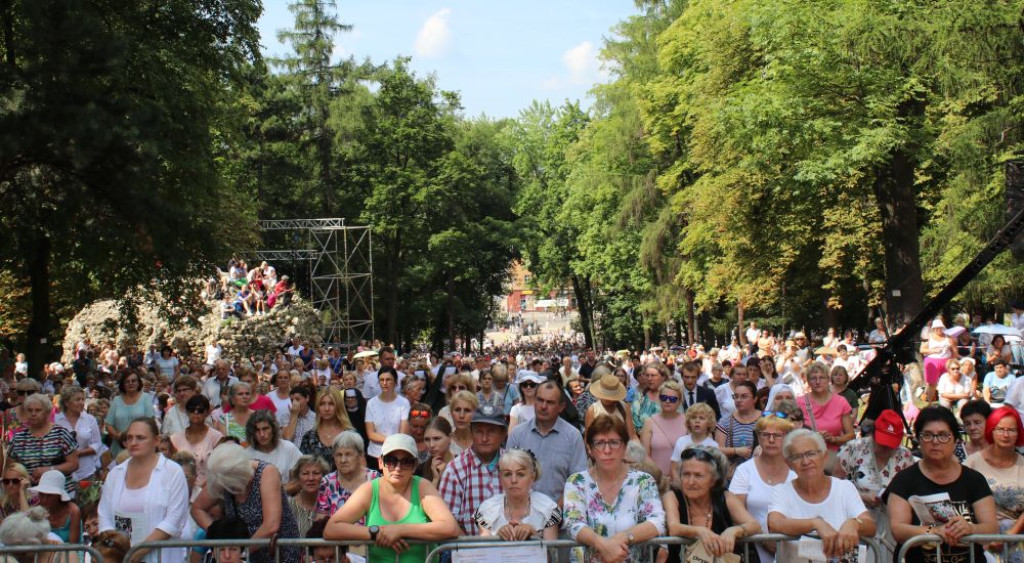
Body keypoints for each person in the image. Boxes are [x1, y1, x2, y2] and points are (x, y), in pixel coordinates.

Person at [886, 405, 999, 563]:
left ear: (955, 440)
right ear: (918, 439)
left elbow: (991, 527)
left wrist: (971, 528)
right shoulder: (904, 480)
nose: (935, 441)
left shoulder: (974, 480)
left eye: (943, 435)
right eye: (927, 435)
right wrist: (934, 531)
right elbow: (898, 529)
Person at [324, 434, 460, 563]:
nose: (398, 468)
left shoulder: (423, 487)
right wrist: (377, 533)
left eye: (406, 462)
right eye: (391, 460)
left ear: (414, 466)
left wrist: (400, 530)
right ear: (380, 462)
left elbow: (450, 527)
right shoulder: (370, 490)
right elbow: (331, 529)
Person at [563, 414, 665, 563]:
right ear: (590, 449)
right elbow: (573, 523)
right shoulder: (577, 482)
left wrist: (622, 538)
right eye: (599, 443)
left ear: (624, 447)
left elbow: (657, 522)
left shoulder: (643, 481)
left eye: (614, 442)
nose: (607, 450)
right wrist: (603, 545)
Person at [767, 428, 876, 562]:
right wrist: (816, 523)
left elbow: (870, 525)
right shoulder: (782, 491)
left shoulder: (844, 488)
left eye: (811, 453)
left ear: (824, 456)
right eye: (796, 456)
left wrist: (854, 523)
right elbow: (775, 523)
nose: (806, 461)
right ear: (789, 464)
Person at [98, 418, 190, 563]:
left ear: (156, 441)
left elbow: (174, 519)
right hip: (121, 556)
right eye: (129, 438)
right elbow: (104, 515)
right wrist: (116, 547)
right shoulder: (116, 473)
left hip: (161, 557)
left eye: (140, 438)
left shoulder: (173, 472)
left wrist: (141, 549)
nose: (133, 443)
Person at [192, 442, 301, 563]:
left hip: (279, 552)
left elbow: (271, 525)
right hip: (242, 556)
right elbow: (197, 509)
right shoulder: (222, 474)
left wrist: (242, 551)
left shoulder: (267, 473)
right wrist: (220, 536)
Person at [834, 409, 915, 561]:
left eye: (891, 444)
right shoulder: (853, 449)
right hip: (855, 522)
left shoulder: (904, 456)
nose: (886, 449)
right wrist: (861, 496)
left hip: (888, 524)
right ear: (874, 434)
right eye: (882, 443)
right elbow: (833, 485)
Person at [666, 445, 760, 561]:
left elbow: (754, 525)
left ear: (714, 480)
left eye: (698, 475)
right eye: (686, 474)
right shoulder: (672, 496)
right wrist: (700, 531)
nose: (690, 482)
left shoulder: (725, 497)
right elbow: (674, 528)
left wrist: (734, 531)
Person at [506, 380, 588, 505]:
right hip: (521, 515)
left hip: (560, 516)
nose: (543, 406)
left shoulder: (573, 437)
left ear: (561, 407)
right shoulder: (518, 435)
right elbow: (507, 476)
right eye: (540, 400)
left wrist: (553, 515)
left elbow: (578, 483)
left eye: (550, 402)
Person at [729, 413, 796, 563]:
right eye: (765, 435)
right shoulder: (744, 470)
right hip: (753, 548)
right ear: (758, 437)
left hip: (792, 549)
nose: (771, 440)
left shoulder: (797, 470)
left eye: (777, 435)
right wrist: (763, 538)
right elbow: (735, 508)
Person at [963, 406, 1024, 556]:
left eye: (1011, 430)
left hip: (1017, 537)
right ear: (991, 430)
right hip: (978, 538)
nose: (1005, 435)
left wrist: (1010, 534)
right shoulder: (972, 463)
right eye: (1000, 429)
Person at [439, 404, 508, 535]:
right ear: (471, 432)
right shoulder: (455, 469)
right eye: (479, 431)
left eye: (491, 431)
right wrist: (470, 546)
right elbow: (447, 520)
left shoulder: (514, 466)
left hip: (511, 549)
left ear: (503, 434)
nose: (484, 438)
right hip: (470, 550)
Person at [474, 449, 562, 540]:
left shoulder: (548, 508)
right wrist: (497, 537)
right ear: (500, 477)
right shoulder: (487, 508)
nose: (514, 480)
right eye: (507, 474)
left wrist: (533, 534)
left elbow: (551, 553)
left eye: (520, 474)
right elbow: (484, 551)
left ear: (532, 477)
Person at [8, 393, 79, 494]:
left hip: (59, 493)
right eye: (29, 410)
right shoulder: (18, 438)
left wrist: (50, 470)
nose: (33, 414)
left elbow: (74, 464)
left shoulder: (61, 434)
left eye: (38, 410)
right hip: (29, 494)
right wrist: (24, 476)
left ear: (47, 412)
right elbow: (11, 467)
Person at [798, 361, 854, 468]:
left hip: (833, 459)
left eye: (822, 378)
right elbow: (791, 435)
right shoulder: (799, 403)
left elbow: (851, 435)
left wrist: (834, 439)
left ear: (828, 380)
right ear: (808, 381)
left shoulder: (841, 402)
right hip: (807, 459)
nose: (818, 382)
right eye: (813, 378)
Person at [316, 431, 380, 520]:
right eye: (339, 455)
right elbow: (321, 520)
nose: (343, 460)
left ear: (360, 455)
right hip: (336, 533)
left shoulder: (374, 479)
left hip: (368, 532)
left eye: (348, 454)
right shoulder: (326, 482)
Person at [169, 394, 222, 487]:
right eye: (192, 409)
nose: (196, 412)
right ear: (187, 412)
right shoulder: (175, 439)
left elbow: (220, 469)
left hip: (209, 491)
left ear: (207, 413)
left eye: (200, 410)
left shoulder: (216, 437)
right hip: (182, 488)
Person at [54, 385, 102, 486]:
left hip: (86, 472)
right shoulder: (56, 420)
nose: (81, 403)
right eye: (77, 399)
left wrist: (79, 453)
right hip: (63, 474)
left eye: (82, 399)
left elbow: (97, 443)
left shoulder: (90, 419)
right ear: (67, 402)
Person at [364, 367, 411, 466]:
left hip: (396, 453)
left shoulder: (403, 403)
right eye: (381, 380)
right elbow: (371, 433)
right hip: (375, 454)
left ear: (395, 382)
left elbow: (403, 432)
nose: (384, 383)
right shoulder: (371, 403)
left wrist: (392, 443)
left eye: (388, 379)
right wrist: (391, 440)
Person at [641, 380, 688, 478]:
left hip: (682, 480)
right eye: (664, 398)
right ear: (659, 399)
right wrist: (660, 477)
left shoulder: (688, 421)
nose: (667, 401)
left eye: (672, 399)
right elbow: (645, 456)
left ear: (679, 401)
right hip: (656, 480)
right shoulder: (649, 422)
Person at [301, 388, 355, 472]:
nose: (326, 408)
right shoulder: (309, 437)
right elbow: (303, 468)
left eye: (331, 404)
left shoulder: (351, 436)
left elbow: (359, 468)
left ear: (338, 406)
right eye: (322, 404)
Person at [106, 371, 155, 457]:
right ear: (123, 384)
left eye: (133, 381)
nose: (130, 383)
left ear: (138, 383)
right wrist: (118, 436)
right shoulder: (116, 400)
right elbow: (108, 424)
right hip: (119, 447)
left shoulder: (145, 398)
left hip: (141, 446)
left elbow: (150, 422)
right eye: (127, 381)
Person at [716, 380, 760, 473]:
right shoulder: (725, 421)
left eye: (744, 396)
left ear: (755, 399)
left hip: (761, 472)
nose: (738, 400)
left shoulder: (765, 419)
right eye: (735, 396)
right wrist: (736, 451)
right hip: (734, 474)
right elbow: (718, 450)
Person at [28, 470, 82, 543]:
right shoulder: (36, 510)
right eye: (41, 494)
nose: (44, 499)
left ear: (59, 496)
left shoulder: (73, 511)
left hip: (70, 553)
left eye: (50, 495)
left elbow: (74, 546)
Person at [246, 410, 303, 477]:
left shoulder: (288, 448)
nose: (262, 434)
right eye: (257, 430)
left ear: (273, 428)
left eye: (265, 429)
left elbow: (301, 479)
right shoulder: (247, 455)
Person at [584, 373, 638, 441]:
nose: (607, 399)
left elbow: (632, 434)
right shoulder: (592, 410)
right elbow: (587, 438)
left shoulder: (624, 407)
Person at [287, 455, 328, 538]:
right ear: (298, 477)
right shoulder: (288, 505)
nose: (311, 478)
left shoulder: (332, 503)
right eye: (305, 473)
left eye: (316, 473)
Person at [920, 318, 957, 403]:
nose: (938, 329)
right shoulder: (928, 337)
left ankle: (945, 402)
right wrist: (933, 351)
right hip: (932, 361)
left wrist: (954, 361)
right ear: (933, 328)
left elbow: (954, 351)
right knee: (932, 384)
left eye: (940, 327)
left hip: (946, 361)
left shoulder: (949, 337)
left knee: (947, 382)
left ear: (943, 327)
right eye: (936, 328)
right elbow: (922, 350)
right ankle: (929, 402)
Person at [419, 417, 454, 488]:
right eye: (427, 439)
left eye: (437, 438)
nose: (431, 445)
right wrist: (435, 480)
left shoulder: (463, 466)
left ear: (450, 437)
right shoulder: (420, 470)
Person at [446, 390, 479, 455]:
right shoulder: (445, 443)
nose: (461, 415)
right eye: (457, 410)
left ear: (475, 413)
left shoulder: (482, 441)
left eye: (467, 410)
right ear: (451, 412)